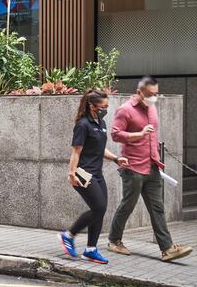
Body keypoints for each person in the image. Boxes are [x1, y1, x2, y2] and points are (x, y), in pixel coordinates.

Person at [107, 76, 193, 262]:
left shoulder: (152, 108)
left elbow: (152, 136)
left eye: (156, 93)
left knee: (157, 208)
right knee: (127, 205)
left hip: (152, 165)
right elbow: (115, 134)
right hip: (132, 167)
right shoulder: (125, 110)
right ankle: (114, 240)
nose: (155, 97)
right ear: (139, 92)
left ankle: (167, 249)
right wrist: (138, 134)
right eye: (151, 94)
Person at [59, 90, 128, 264]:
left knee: (101, 210)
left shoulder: (101, 122)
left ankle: (90, 250)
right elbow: (76, 151)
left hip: (97, 174)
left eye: (107, 106)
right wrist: (71, 173)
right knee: (98, 207)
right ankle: (69, 235)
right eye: (103, 107)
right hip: (83, 173)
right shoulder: (83, 125)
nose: (105, 109)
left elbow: (99, 148)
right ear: (92, 105)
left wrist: (116, 159)